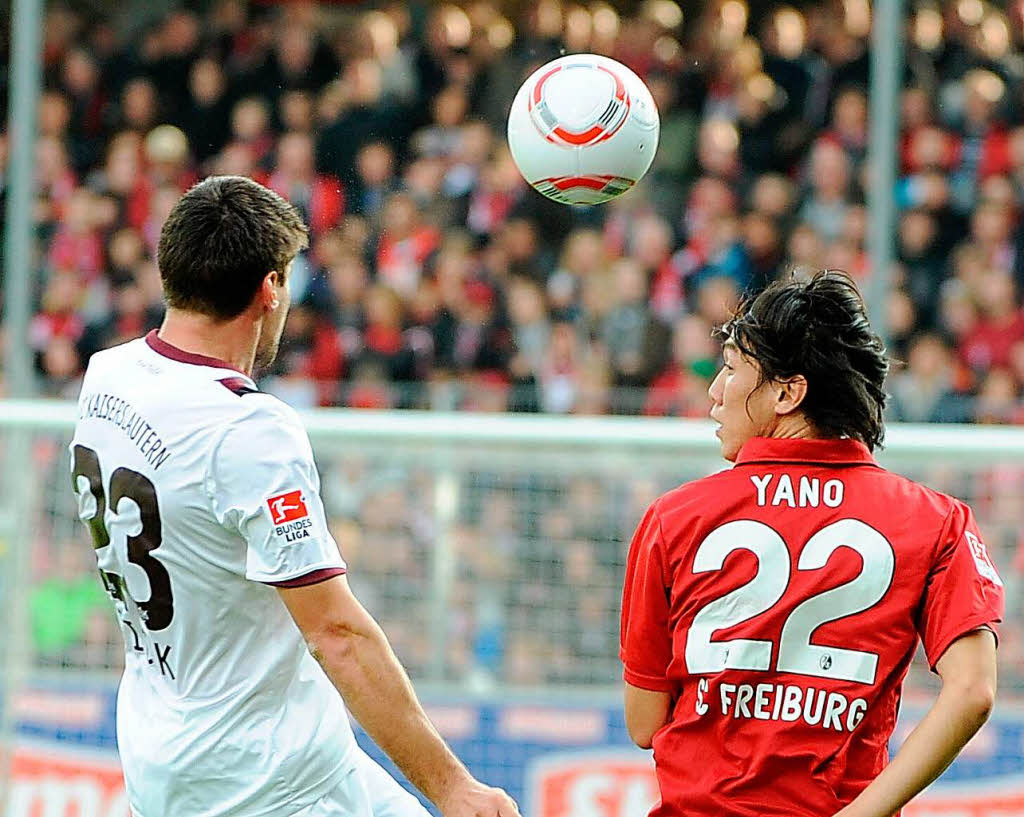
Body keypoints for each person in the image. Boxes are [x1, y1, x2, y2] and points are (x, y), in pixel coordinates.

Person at [69, 175, 520, 817]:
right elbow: (335, 631)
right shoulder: (246, 430)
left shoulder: (105, 377)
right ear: (270, 289)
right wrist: (452, 786)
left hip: (164, 748)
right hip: (268, 780)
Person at [619, 270, 1003, 817]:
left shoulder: (673, 518)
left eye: (730, 369)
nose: (713, 391)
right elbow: (973, 691)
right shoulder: (938, 521)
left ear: (787, 392)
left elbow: (643, 724)